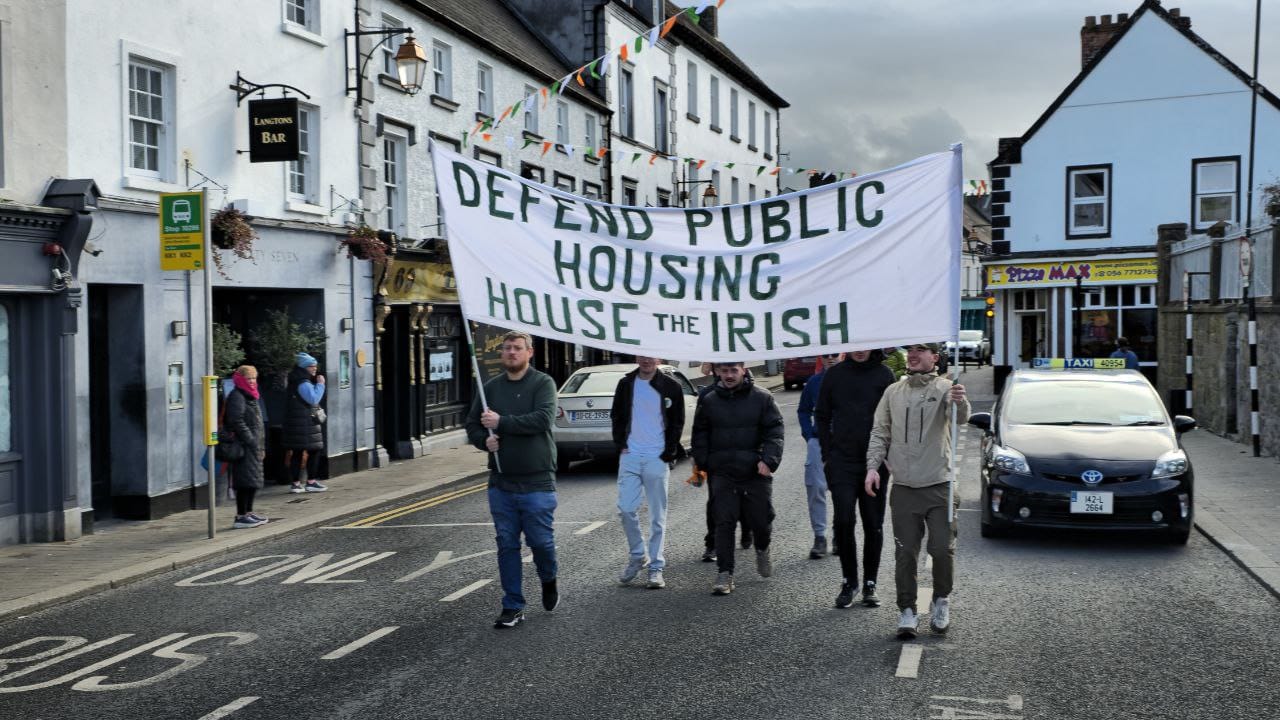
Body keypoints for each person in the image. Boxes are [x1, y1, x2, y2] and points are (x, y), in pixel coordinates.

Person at [865, 342, 969, 639]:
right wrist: (872, 467)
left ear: (934, 357)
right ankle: (907, 610)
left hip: (939, 484)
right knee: (905, 553)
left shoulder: (946, 388)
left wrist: (960, 401)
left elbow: (961, 417)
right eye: (910, 350)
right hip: (904, 488)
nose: (912, 354)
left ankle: (941, 600)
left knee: (941, 549)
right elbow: (880, 431)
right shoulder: (893, 392)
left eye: (921, 350)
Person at [465, 331, 560, 629]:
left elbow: (543, 419)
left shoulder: (543, 383)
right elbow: (472, 425)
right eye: (507, 348)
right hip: (501, 482)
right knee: (506, 544)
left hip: (537, 480)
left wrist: (501, 422)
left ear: (529, 352)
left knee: (541, 542)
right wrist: (484, 441)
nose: (511, 352)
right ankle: (513, 605)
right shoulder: (490, 388)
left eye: (517, 348)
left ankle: (548, 577)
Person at [692, 361, 785, 595]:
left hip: (755, 472)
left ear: (743, 370)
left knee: (761, 521)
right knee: (724, 522)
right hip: (723, 472)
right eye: (724, 371)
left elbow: (775, 430)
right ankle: (725, 574)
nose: (729, 375)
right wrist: (703, 462)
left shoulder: (762, 397)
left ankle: (762, 548)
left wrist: (768, 460)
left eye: (734, 370)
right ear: (718, 372)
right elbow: (700, 433)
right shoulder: (709, 400)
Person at [816, 349, 896, 609]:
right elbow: (822, 415)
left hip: (875, 462)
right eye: (855, 346)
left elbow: (894, 418)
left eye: (865, 346)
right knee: (843, 520)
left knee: (873, 523)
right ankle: (849, 582)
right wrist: (827, 455)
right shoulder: (834, 375)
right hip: (842, 462)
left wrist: (889, 454)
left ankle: (870, 583)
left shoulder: (884, 375)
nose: (860, 351)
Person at [611, 356, 686, 590]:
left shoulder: (671, 386)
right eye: (641, 356)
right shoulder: (626, 383)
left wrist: (668, 452)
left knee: (657, 516)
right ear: (636, 357)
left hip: (656, 457)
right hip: (630, 456)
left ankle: (656, 566)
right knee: (626, 508)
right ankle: (638, 555)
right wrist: (620, 443)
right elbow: (617, 415)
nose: (645, 360)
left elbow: (678, 421)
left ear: (658, 358)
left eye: (650, 356)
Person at [797, 353, 840, 559]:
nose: (830, 358)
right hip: (818, 441)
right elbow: (803, 410)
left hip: (844, 443)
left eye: (835, 355)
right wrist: (808, 435)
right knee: (816, 488)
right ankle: (820, 537)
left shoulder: (849, 379)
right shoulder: (814, 382)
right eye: (826, 355)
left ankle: (840, 534)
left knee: (843, 491)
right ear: (820, 358)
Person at [225, 365, 268, 529]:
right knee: (244, 482)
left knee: (252, 481)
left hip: (253, 446)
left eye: (253, 378)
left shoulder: (251, 395)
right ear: (241, 379)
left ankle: (249, 512)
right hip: (244, 446)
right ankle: (241, 516)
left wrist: (260, 446)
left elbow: (257, 424)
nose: (251, 381)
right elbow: (236, 421)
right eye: (248, 378)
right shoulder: (238, 396)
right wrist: (250, 439)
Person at [283, 352, 327, 494]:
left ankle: (296, 484)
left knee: (297, 452)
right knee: (313, 451)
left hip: (298, 422)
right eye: (311, 366)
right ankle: (310, 482)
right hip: (304, 423)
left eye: (315, 366)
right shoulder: (303, 382)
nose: (315, 368)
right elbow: (313, 399)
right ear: (304, 367)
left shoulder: (296, 379)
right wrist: (320, 384)